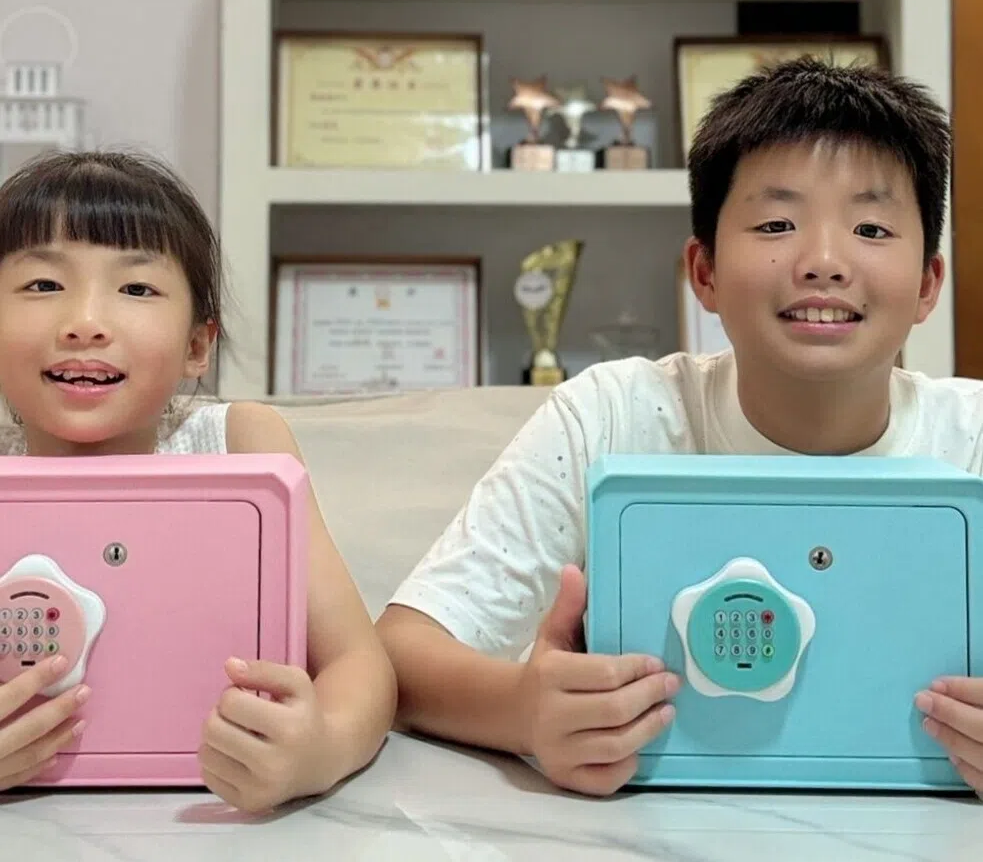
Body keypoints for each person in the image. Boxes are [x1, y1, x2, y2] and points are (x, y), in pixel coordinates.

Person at [378, 57, 983, 799]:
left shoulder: (973, 440)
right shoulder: (612, 418)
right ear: (704, 271)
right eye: (776, 223)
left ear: (926, 283)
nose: (823, 262)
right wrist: (523, 712)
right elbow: (400, 652)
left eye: (870, 227)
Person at [0, 150, 396, 812]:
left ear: (196, 346)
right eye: (43, 284)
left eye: (136, 289)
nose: (85, 322)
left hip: (214, 816)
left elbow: (360, 665)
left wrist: (320, 749)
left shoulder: (243, 445)